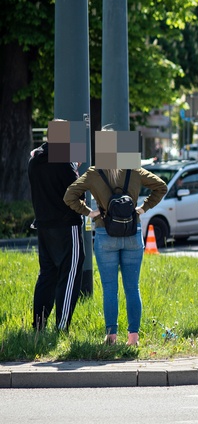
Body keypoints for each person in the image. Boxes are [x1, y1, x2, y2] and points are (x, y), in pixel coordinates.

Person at [64, 164, 167, 345]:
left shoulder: (94, 173)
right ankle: (133, 338)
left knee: (110, 288)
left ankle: (111, 337)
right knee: (132, 288)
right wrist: (143, 208)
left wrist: (90, 213)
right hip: (132, 232)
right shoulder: (134, 170)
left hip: (106, 234)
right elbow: (161, 187)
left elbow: (69, 196)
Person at [28, 141, 85, 332]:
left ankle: (39, 326)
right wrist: (75, 168)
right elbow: (77, 195)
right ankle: (62, 327)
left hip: (44, 226)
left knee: (47, 274)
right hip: (67, 225)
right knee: (70, 274)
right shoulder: (65, 163)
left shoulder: (34, 161)